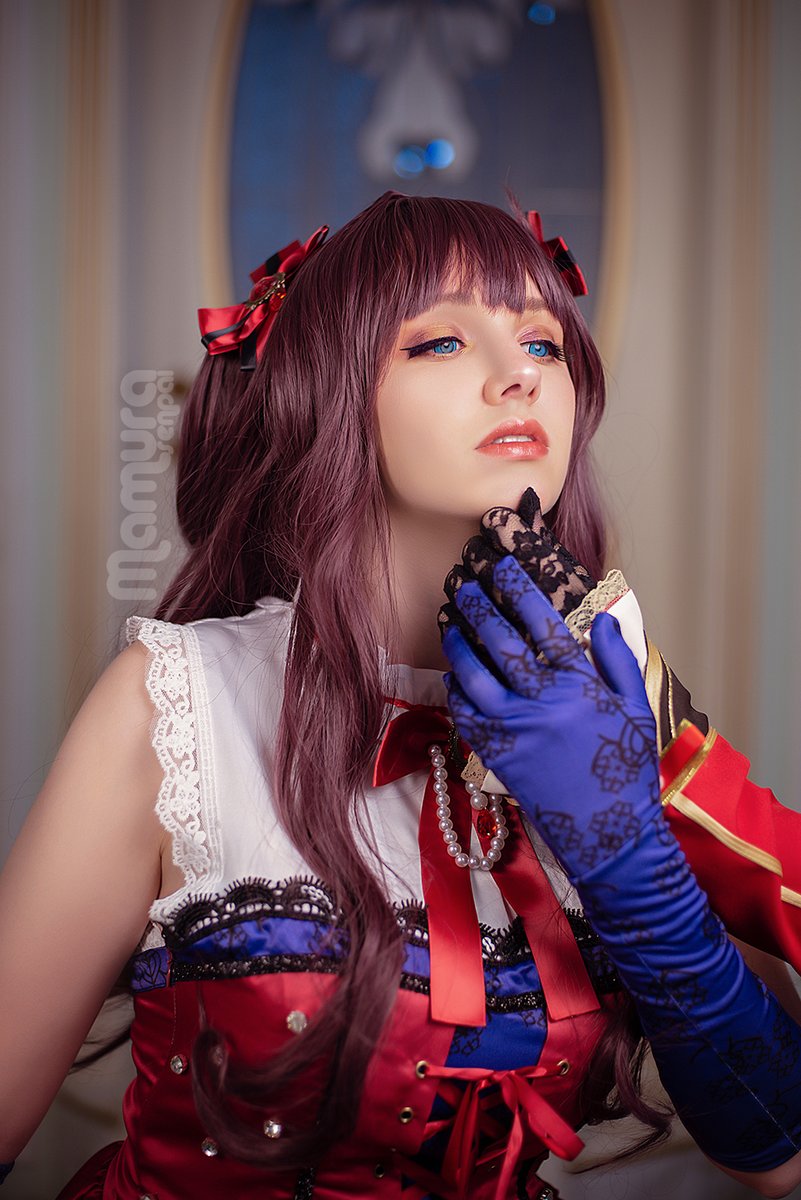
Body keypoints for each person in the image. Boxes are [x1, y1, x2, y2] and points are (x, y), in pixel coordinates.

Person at [1, 192, 800, 1199]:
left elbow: (777, 1160)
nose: (519, 374)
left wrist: (624, 852)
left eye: (542, 342)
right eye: (441, 342)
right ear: (329, 396)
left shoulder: (614, 704)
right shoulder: (175, 704)